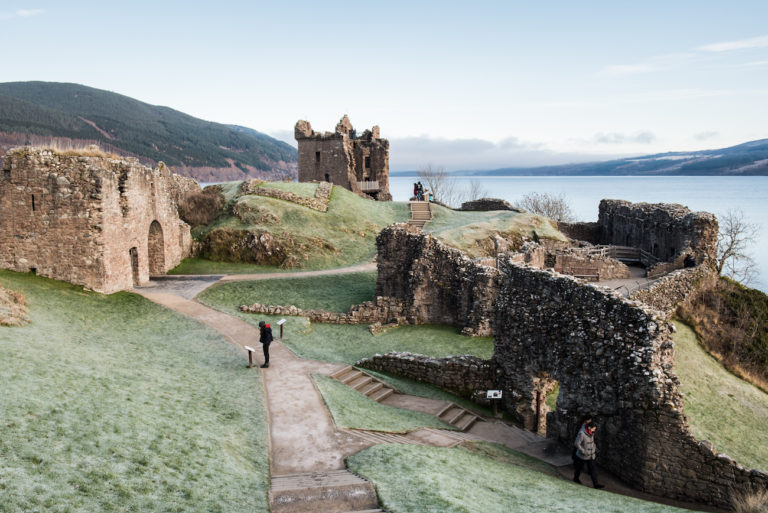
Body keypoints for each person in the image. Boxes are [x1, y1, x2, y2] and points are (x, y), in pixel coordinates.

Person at [573, 420, 605, 489]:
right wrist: (583, 451)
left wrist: (595, 448)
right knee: (579, 468)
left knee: (593, 470)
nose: (594, 430)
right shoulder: (581, 433)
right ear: (589, 427)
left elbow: (592, 442)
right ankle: (576, 478)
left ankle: (596, 485)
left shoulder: (591, 433)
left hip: (591, 456)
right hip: (582, 456)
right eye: (594, 428)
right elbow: (576, 444)